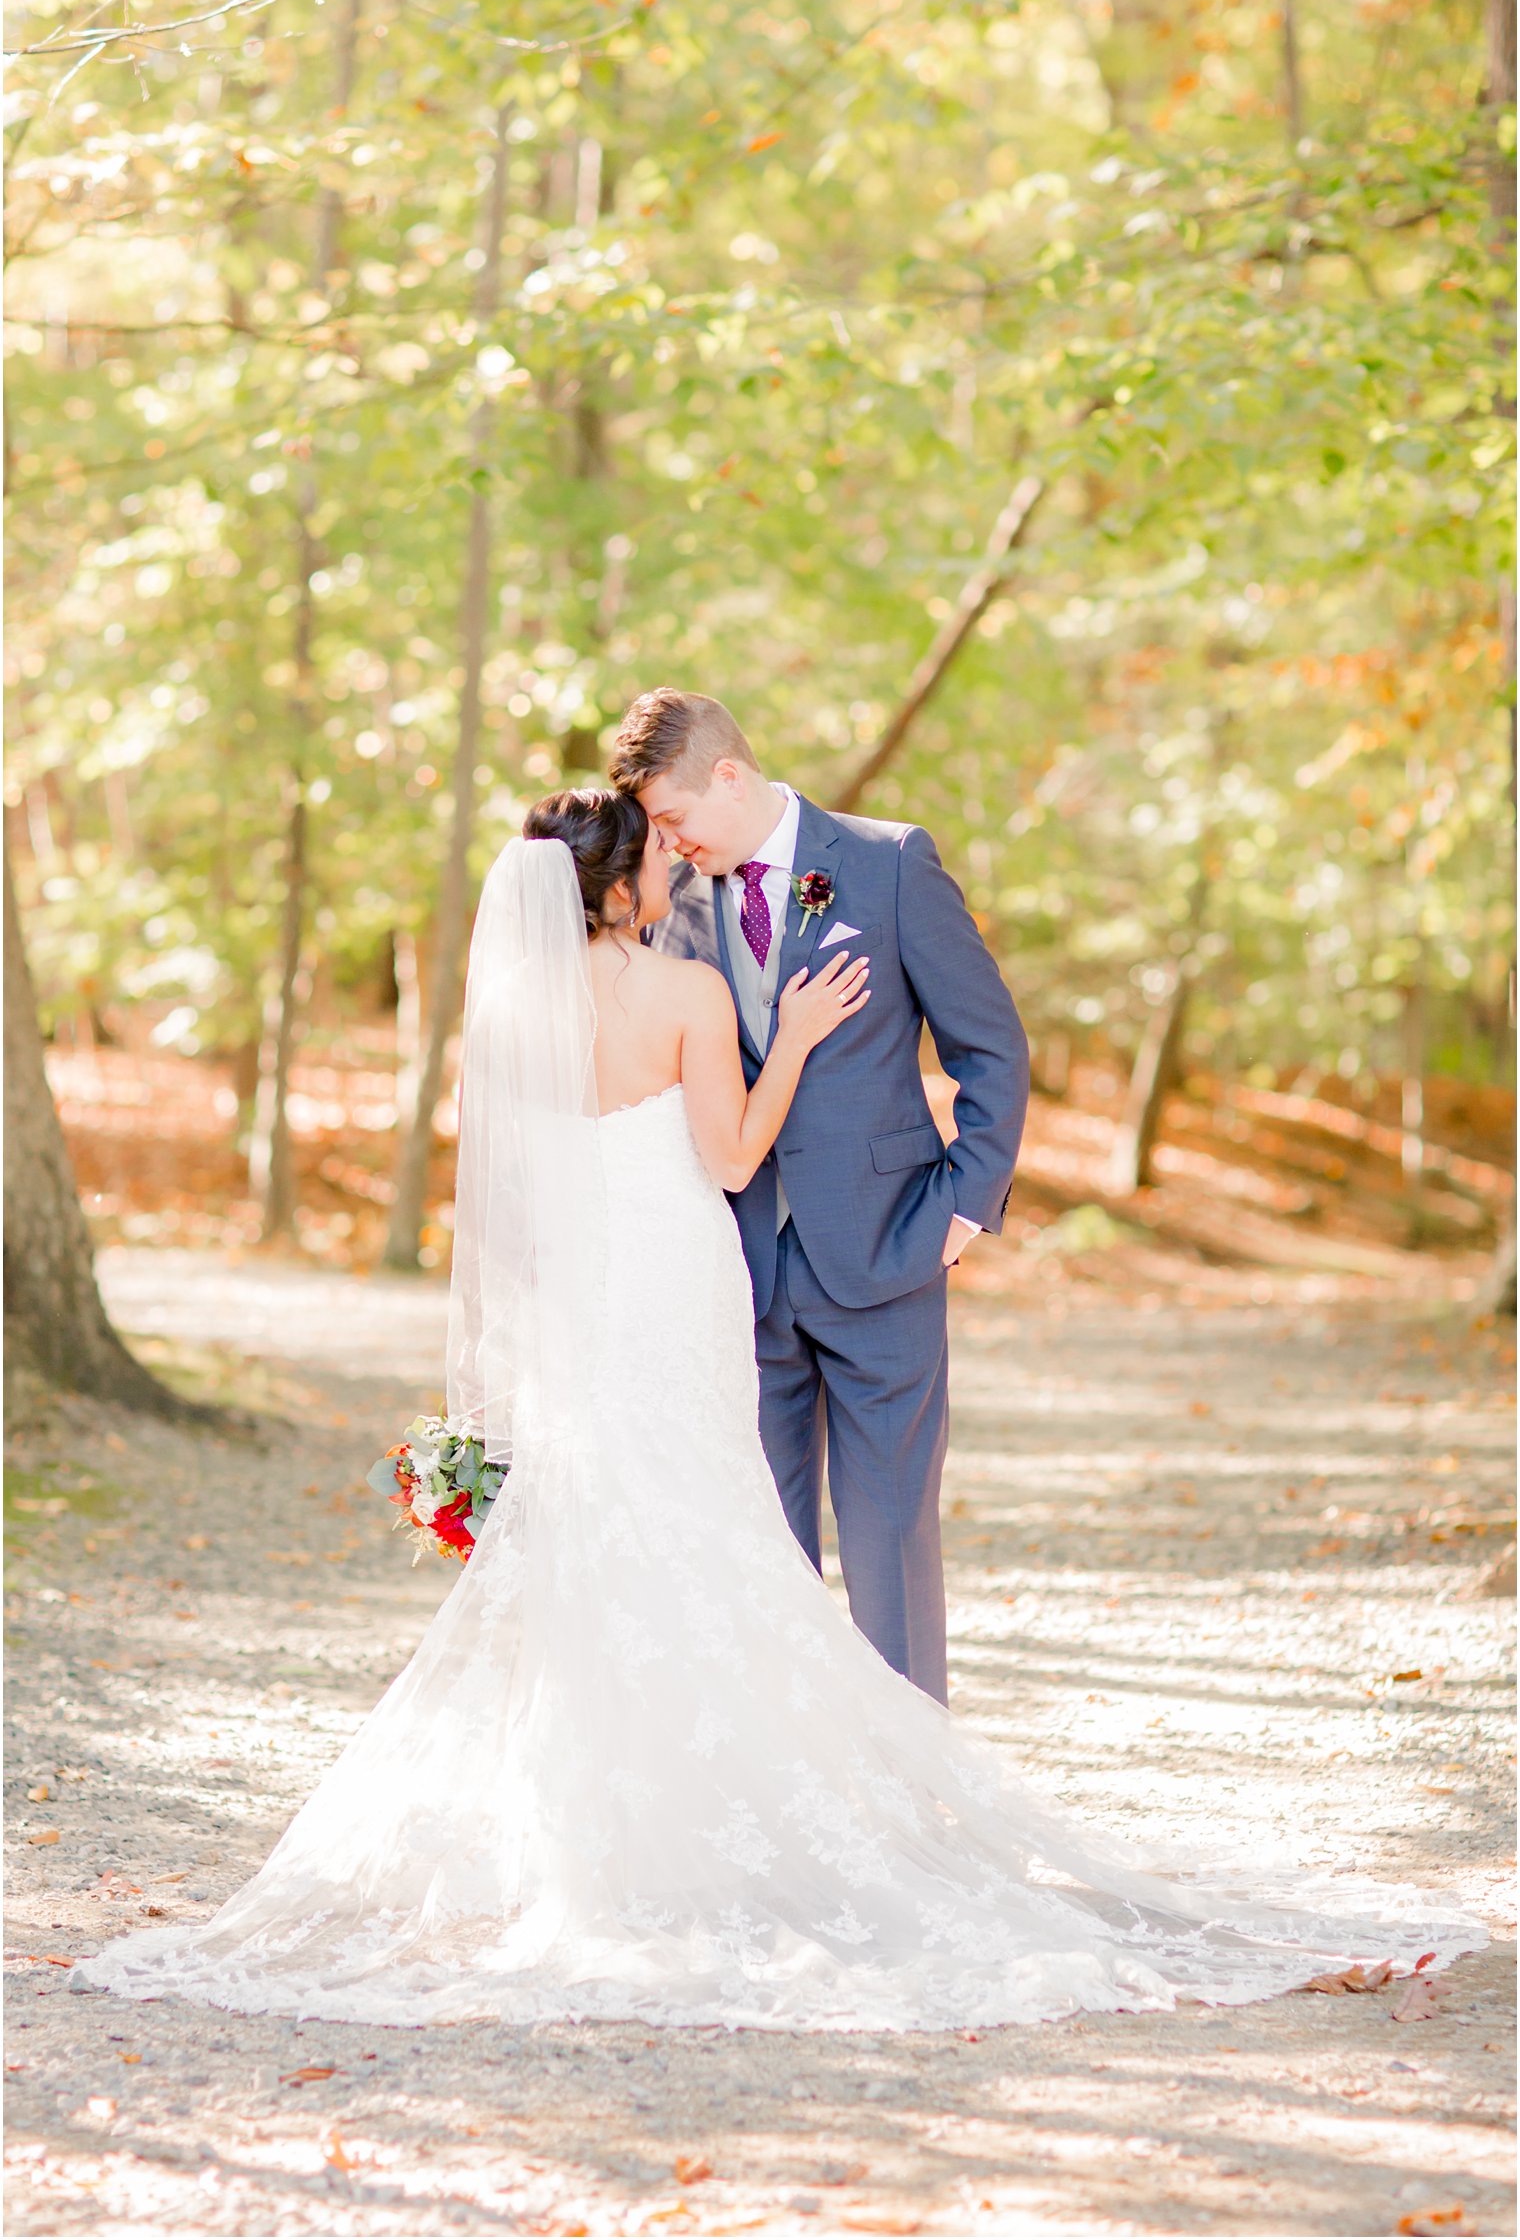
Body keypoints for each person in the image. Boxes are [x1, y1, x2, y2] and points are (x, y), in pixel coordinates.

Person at [71, 797, 1484, 2032]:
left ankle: (595, 1847)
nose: (677, 883)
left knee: (598, 1548)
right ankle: (753, 1827)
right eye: (658, 868)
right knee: (716, 1531)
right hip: (680, 1292)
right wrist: (798, 1034)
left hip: (572, 1314)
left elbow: (495, 1222)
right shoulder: (685, 998)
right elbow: (739, 1151)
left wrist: (496, 1375)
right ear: (624, 887)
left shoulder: (505, 1020)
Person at [609, 686, 1028, 1706]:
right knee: (761, 1546)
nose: (664, 845)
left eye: (672, 819)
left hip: (887, 1253)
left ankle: (910, 1804)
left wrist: (958, 1214)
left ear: (729, 775)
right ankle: (798, 1803)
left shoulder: (885, 866)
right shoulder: (678, 909)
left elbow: (990, 1047)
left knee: (887, 1541)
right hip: (737, 1271)